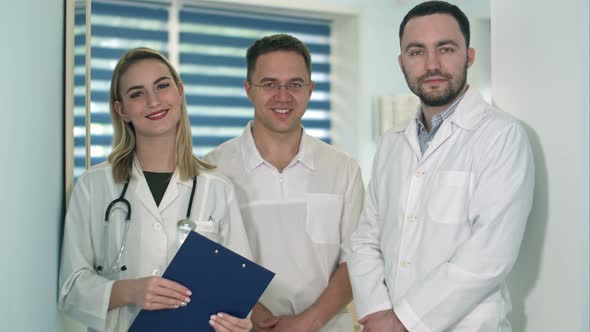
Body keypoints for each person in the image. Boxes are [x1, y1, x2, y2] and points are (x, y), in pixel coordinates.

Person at [348, 1, 535, 331]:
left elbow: (490, 255)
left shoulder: (501, 135)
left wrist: (402, 321)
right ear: (401, 62)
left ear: (469, 55)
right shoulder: (392, 142)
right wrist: (377, 311)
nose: (431, 64)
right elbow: (365, 239)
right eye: (417, 52)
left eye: (446, 49)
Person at [58, 47, 253, 332]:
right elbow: (70, 288)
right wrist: (131, 291)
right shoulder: (94, 185)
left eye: (162, 86)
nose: (153, 101)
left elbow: (240, 288)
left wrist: (238, 323)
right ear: (121, 110)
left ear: (180, 92)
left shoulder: (217, 187)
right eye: (137, 94)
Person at [205, 34, 364, 332]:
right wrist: (258, 316)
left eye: (294, 84)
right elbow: (209, 260)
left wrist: (307, 322)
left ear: (310, 90)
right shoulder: (212, 168)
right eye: (269, 84)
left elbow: (356, 261)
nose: (283, 95)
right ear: (248, 90)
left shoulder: (344, 170)